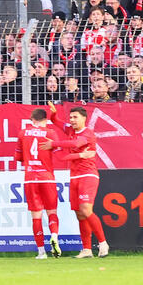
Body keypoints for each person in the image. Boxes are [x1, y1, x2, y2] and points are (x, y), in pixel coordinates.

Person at [48, 104, 108, 258]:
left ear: (84, 119)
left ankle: (103, 243)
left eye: (75, 117)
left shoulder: (87, 133)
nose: (72, 120)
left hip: (87, 175)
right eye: (71, 117)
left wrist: (54, 144)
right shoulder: (69, 129)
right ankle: (87, 249)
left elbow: (75, 144)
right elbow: (56, 121)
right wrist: (54, 114)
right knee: (79, 214)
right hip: (74, 177)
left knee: (86, 210)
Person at [15, 107, 62, 259]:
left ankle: (41, 252)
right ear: (45, 120)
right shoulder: (50, 133)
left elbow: (18, 157)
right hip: (47, 177)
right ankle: (54, 236)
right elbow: (58, 152)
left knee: (36, 216)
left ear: (32, 120)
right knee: (52, 212)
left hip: (30, 178)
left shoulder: (23, 133)